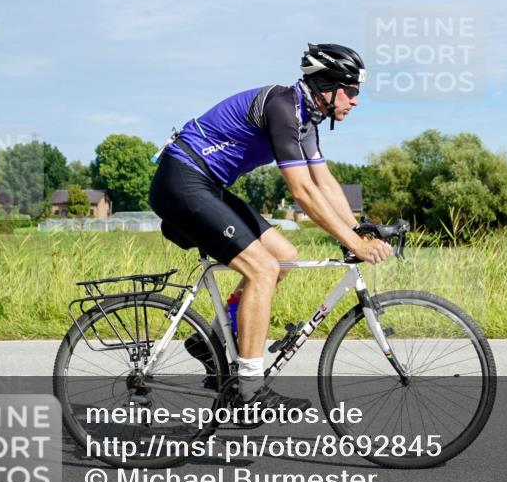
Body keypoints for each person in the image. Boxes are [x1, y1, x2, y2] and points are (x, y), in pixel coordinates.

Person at [148, 43, 393, 413]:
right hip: (181, 181)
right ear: (327, 86)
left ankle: (210, 340)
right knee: (262, 268)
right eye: (351, 91)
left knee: (283, 255)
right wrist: (354, 244)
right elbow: (303, 192)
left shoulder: (306, 119)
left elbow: (324, 182)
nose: (356, 101)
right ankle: (249, 388)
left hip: (206, 185)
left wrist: (357, 230)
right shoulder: (283, 108)